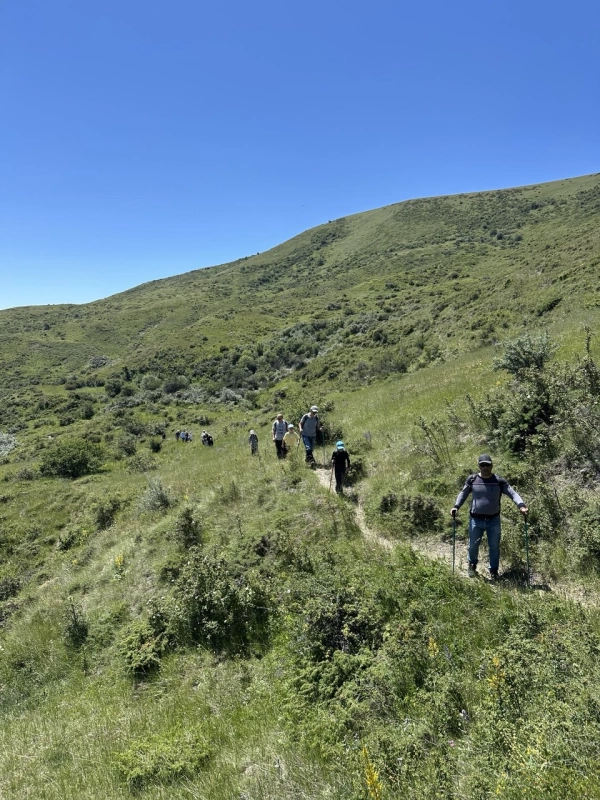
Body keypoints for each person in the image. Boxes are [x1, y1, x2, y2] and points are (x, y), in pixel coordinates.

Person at [451, 454, 528, 579]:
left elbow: (512, 493)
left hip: (494, 520)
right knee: (473, 545)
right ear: (479, 466)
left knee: (494, 546)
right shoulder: (472, 480)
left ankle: (493, 571)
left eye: (487, 465)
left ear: (492, 465)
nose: (485, 467)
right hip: (476, 519)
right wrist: (456, 506)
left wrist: (521, 505)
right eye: (482, 465)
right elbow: (463, 494)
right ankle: (472, 565)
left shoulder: (499, 481)